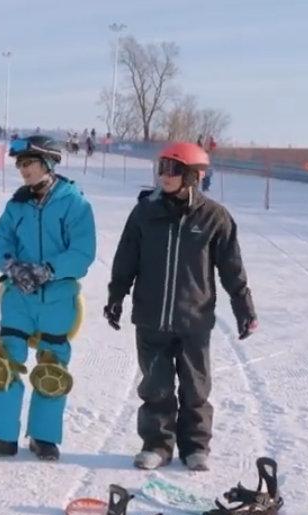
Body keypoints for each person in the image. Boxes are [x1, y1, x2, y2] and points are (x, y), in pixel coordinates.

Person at [105, 141, 257, 472]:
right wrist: (116, 295)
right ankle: (158, 445)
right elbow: (126, 257)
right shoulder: (145, 212)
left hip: (194, 318)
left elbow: (231, 268)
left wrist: (243, 307)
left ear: (192, 175)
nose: (165, 176)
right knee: (156, 386)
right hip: (151, 316)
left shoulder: (214, 217)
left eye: (173, 169)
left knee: (195, 386)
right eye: (162, 168)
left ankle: (195, 446)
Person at [0, 135, 96, 461]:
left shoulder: (74, 203)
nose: (22, 169)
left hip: (56, 297)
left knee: (52, 367)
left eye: (28, 162)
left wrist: (48, 270)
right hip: (19, 296)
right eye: (19, 164)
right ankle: (1, 435)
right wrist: (12, 266)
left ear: (48, 163)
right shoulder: (17, 204)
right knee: (3, 362)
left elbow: (83, 251)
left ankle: (44, 438)